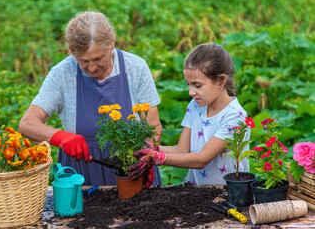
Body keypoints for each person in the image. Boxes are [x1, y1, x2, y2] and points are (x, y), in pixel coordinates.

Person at [19, 11, 163, 186]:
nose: (92, 67)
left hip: (132, 171)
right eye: (83, 61)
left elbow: (153, 124)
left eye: (98, 58)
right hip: (81, 174)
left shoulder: (135, 67)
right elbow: (27, 124)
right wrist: (61, 137)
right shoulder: (62, 73)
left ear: (112, 44)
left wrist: (148, 153)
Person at [127, 43, 250, 185]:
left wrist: (158, 158)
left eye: (197, 85)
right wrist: (154, 149)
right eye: (188, 84)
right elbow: (181, 149)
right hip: (196, 191)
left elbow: (202, 159)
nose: (191, 92)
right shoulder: (196, 106)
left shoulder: (235, 116)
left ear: (221, 81)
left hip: (227, 193)